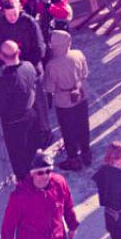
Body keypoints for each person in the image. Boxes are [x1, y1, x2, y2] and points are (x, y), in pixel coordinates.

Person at [0, 0, 50, 145]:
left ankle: (45, 130)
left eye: (14, 14)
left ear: (19, 9)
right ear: (3, 13)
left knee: (39, 101)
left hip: (31, 68)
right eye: (9, 15)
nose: (12, 18)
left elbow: (40, 49)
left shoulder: (29, 22)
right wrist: (4, 60)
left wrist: (25, 65)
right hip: (11, 68)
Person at [1, 150, 79, 239]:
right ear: (32, 174)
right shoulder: (19, 196)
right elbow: (8, 225)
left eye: (48, 171)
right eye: (40, 172)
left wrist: (72, 225)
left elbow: (68, 206)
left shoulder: (59, 183)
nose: (45, 176)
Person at [0, 39, 39, 179]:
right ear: (18, 52)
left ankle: (25, 186)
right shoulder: (29, 66)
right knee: (32, 151)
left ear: (1, 56)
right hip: (31, 114)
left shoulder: (5, 81)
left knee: (18, 158)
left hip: (14, 123)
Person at [43, 30, 91, 171]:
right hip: (81, 96)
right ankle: (86, 154)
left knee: (68, 131)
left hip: (64, 102)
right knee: (83, 125)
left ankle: (73, 160)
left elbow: (49, 87)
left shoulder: (52, 65)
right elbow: (84, 74)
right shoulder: (78, 54)